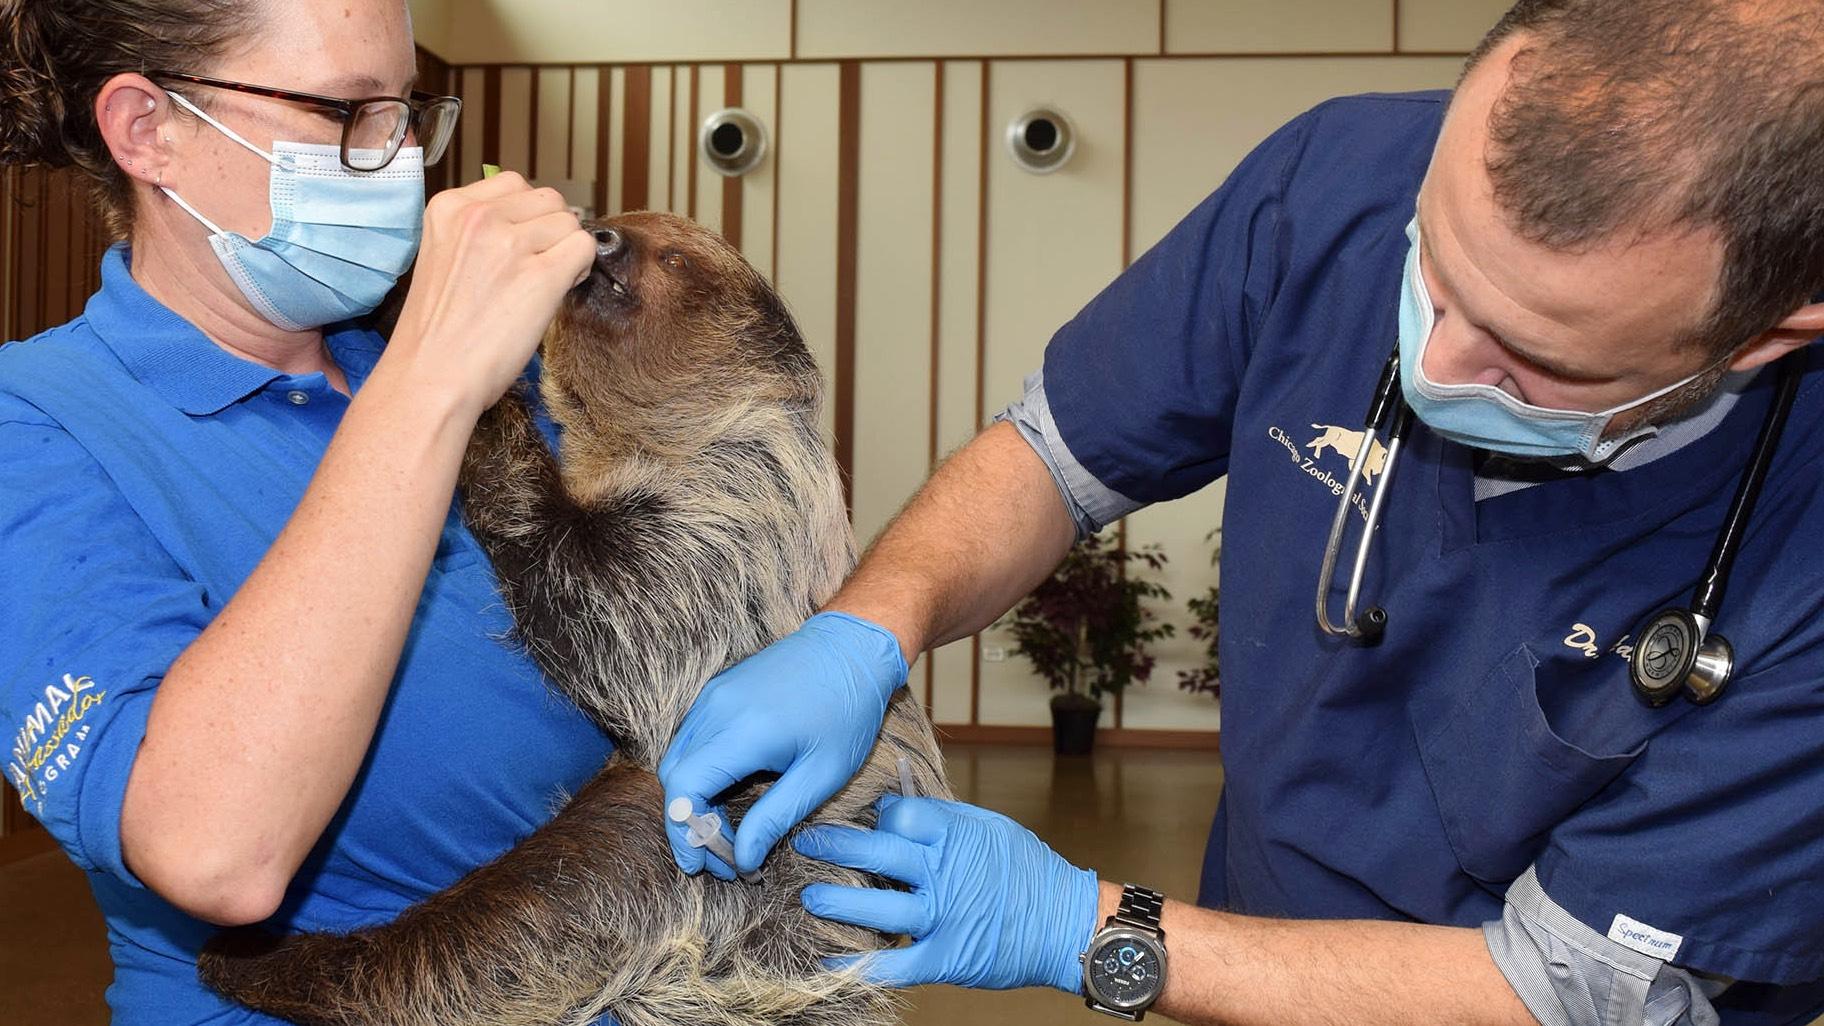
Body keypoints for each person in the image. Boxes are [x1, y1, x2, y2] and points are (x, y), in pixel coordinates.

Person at [657, 1, 1824, 1023]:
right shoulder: (1335, 180)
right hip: (1238, 955)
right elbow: (1056, 456)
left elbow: (1558, 990)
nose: (1435, 360)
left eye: (1530, 357)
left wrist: (1081, 930)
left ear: (1773, 334)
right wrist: (870, 622)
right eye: (1431, 266)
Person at [0, 1, 600, 1021]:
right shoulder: (41, 422)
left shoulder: (489, 386)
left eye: (406, 110)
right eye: (347, 111)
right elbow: (212, 851)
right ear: (150, 131)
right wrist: (429, 382)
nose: (402, 155)